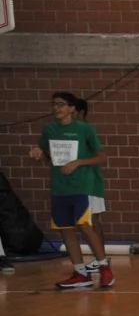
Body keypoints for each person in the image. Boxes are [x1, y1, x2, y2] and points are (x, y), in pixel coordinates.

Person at [31, 91, 112, 290]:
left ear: (71, 108)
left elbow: (101, 157)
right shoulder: (49, 129)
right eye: (54, 104)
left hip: (82, 185)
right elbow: (48, 155)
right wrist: (38, 153)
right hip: (60, 186)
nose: (56, 108)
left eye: (61, 104)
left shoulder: (84, 129)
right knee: (65, 230)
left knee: (85, 226)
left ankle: (104, 268)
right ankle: (80, 273)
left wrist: (78, 162)